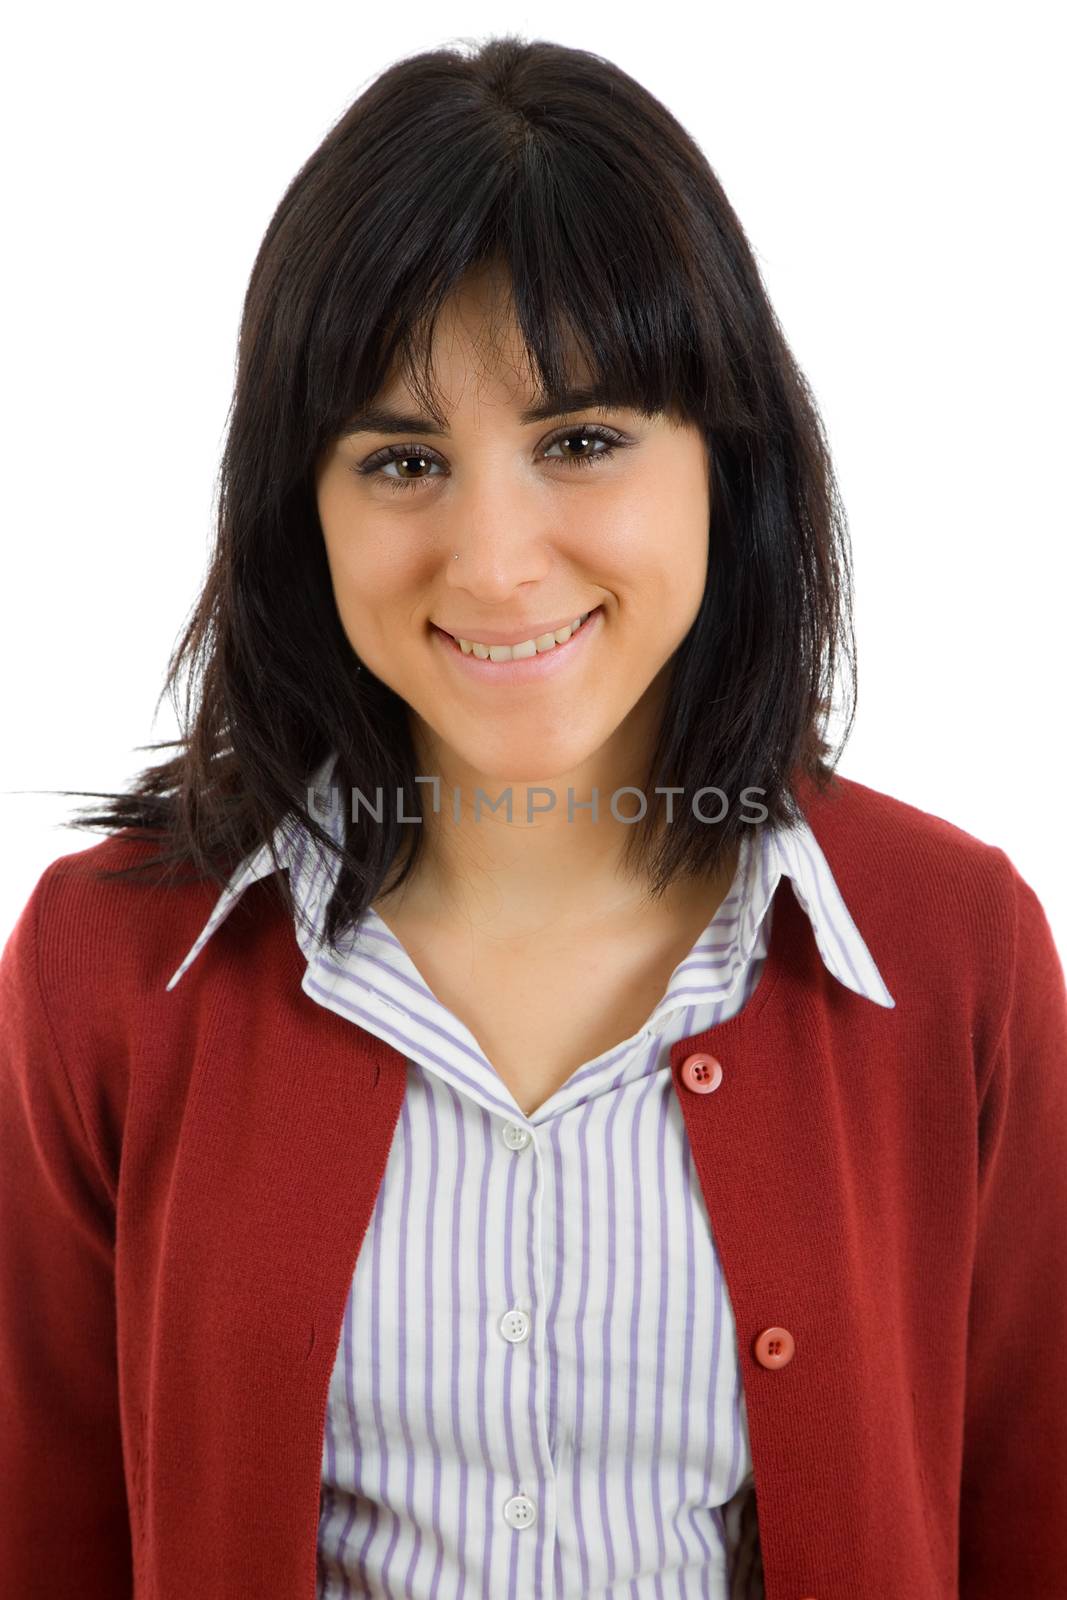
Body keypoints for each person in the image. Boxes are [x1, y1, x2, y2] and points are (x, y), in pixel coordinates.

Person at [1, 32, 1064, 1600]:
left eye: (581, 441)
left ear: (730, 461)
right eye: (403, 458)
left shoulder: (951, 949)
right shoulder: (108, 969)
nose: (495, 561)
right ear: (301, 506)